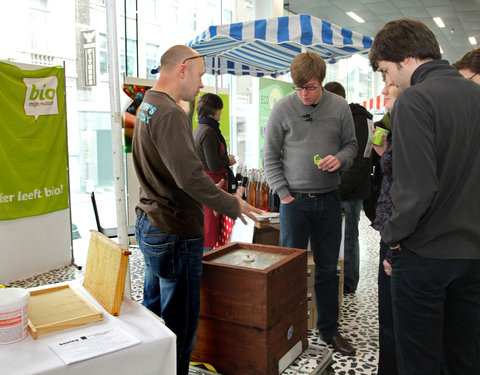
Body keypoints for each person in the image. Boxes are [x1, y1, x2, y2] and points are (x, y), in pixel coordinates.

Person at [132, 45, 260, 375]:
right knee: (180, 326)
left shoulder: (148, 103)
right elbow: (189, 177)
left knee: (154, 314)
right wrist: (233, 203)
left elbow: (173, 170)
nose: (202, 85)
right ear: (183, 69)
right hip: (174, 230)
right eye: (201, 75)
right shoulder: (170, 113)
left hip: (151, 221)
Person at [369, 19, 480, 374]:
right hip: (473, 255)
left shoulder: (415, 100)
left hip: (424, 256)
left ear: (405, 58)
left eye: (387, 70)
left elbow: (416, 188)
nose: (389, 81)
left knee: (418, 361)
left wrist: (392, 238)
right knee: (462, 358)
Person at [263, 52, 358, 356]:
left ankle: (329, 331)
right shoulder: (282, 109)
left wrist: (340, 160)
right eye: (298, 88)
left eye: (311, 87)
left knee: (328, 270)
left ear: (322, 82)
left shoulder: (339, 107)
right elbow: (270, 156)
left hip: (330, 201)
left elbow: (352, 145)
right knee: (290, 271)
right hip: (294, 204)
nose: (304, 94)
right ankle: (289, 332)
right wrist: (284, 194)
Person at [324, 81, 373, 294]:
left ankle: (349, 284)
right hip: (336, 189)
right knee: (338, 238)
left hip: (350, 192)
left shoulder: (360, 120)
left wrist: (339, 188)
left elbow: (361, 161)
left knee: (349, 238)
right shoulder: (340, 119)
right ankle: (340, 280)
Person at [370, 74, 402, 375]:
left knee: (396, 321)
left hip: (401, 237)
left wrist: (394, 246)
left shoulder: (414, 123)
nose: (384, 89)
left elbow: (410, 191)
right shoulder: (393, 121)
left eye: (390, 81)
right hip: (394, 233)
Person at [193, 93, 237, 252]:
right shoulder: (208, 132)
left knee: (208, 229)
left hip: (206, 185)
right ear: (213, 110)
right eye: (220, 109)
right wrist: (228, 161)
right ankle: (209, 268)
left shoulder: (199, 129)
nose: (221, 112)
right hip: (214, 185)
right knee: (211, 232)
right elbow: (213, 165)